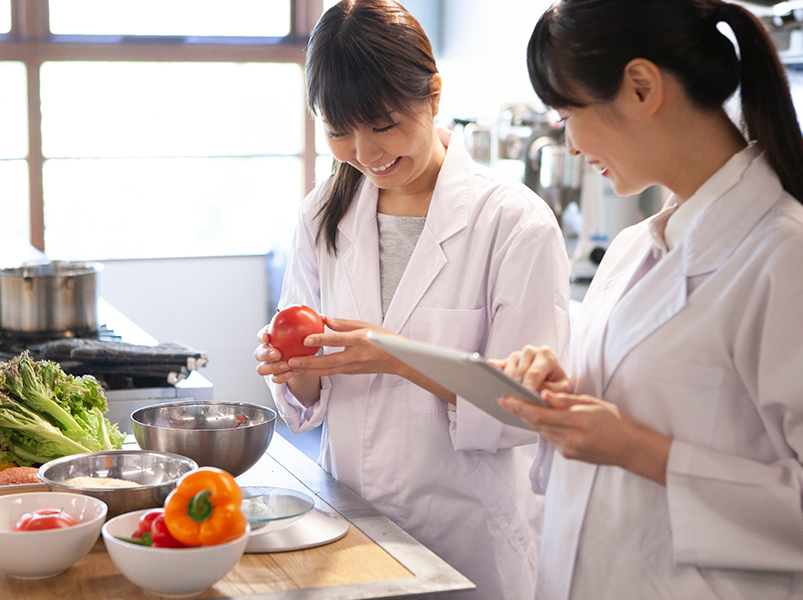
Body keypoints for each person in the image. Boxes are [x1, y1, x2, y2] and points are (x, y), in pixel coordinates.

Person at [254, 2, 570, 598]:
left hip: (471, 537)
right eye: (338, 130)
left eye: (382, 124)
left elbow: (524, 408)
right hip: (349, 527)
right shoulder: (324, 214)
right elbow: (309, 397)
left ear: (433, 94)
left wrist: (394, 355)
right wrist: (291, 369)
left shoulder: (512, 222)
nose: (366, 152)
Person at [495, 1, 803, 599]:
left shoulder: (783, 257)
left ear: (641, 86)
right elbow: (636, 403)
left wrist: (643, 452)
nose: (572, 142)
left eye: (568, 114)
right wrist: (566, 390)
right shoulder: (636, 247)